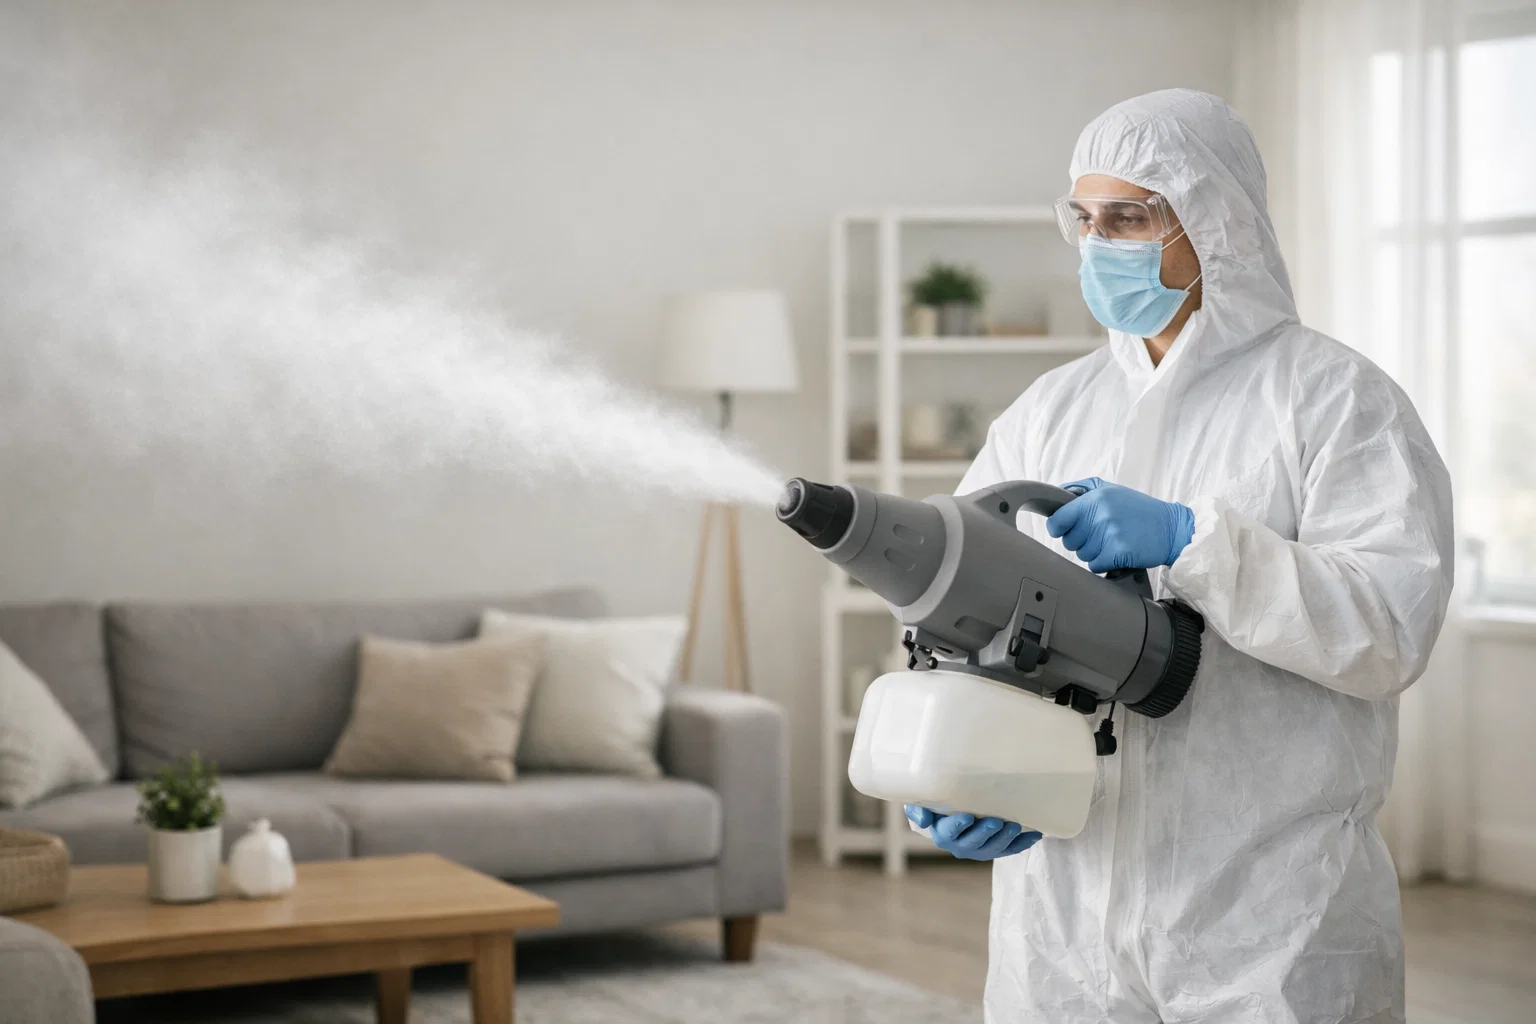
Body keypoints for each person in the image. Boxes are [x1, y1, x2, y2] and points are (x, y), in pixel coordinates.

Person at [906, 89, 1454, 1023]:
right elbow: (971, 616)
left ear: (1216, 220)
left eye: (1129, 217)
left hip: (1267, 921)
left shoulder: (1334, 400)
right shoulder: (1049, 411)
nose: (1098, 243)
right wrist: (954, 770)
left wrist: (1193, 544)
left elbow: (1387, 630)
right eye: (1085, 219)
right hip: (1061, 924)